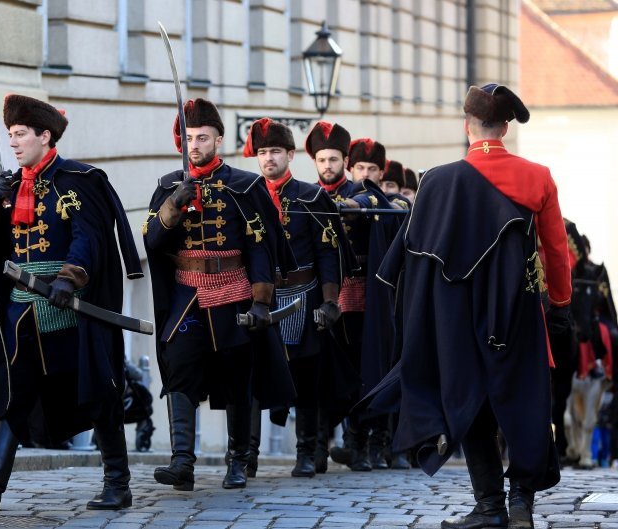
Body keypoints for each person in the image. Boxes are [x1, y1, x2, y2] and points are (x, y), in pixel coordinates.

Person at [372, 83, 572, 529]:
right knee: (523, 401)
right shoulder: (538, 176)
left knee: (470, 402)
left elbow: (415, 257)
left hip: (455, 314)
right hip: (516, 310)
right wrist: (559, 304)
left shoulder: (437, 181)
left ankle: (488, 507)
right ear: (505, 128)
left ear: (468, 128)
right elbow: (558, 252)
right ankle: (521, 504)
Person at [0, 93, 143, 517]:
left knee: (97, 390)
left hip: (68, 307)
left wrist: (70, 277)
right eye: (10, 134)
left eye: (20, 134)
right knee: (12, 393)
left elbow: (89, 236)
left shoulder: (79, 179)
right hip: (21, 311)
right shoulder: (11, 186)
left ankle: (117, 483)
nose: (13, 142)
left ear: (45, 136)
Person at [143, 98, 297, 491]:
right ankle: (182, 462)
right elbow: (152, 241)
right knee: (179, 367)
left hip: (233, 291)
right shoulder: (167, 185)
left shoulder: (244, 186)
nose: (195, 145)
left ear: (219, 140)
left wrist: (261, 300)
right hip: (186, 295)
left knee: (235, 378)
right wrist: (173, 206)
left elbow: (260, 245)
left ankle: (238, 459)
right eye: (189, 138)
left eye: (203, 138)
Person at [242, 118, 356, 477]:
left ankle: (307, 451)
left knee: (308, 377)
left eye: (275, 151)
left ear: (290, 155)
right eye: (262, 152)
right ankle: (247, 454)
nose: (268, 158)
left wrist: (330, 300)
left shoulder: (311, 195)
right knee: (253, 376)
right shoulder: (245, 194)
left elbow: (327, 252)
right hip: (259, 296)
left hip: (303, 296)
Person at [309, 127, 405, 472]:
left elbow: (372, 200)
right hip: (322, 291)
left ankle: (357, 442)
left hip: (363, 293)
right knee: (320, 372)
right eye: (360, 169)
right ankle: (317, 445)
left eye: (371, 170)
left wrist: (351, 204)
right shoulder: (310, 194)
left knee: (360, 370)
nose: (364, 175)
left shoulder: (366, 196)